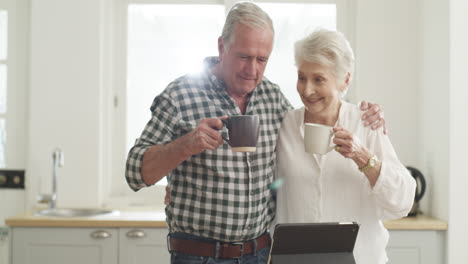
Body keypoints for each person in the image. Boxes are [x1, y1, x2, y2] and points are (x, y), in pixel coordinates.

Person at [126, 2, 384, 264]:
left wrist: (363, 115)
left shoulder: (271, 96)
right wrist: (184, 146)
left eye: (262, 59)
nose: (252, 70)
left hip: (259, 254)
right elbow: (135, 173)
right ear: (221, 47)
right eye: (243, 56)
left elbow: (313, 120)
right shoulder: (180, 95)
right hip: (198, 256)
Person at [274, 28, 416, 264]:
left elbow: (403, 202)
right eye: (302, 77)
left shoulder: (366, 123)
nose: (307, 90)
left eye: (318, 79)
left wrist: (363, 158)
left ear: (345, 80)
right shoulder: (285, 124)